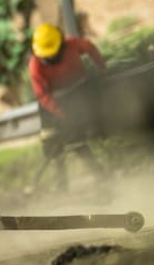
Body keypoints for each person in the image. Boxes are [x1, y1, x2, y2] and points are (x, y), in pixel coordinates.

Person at [28, 23, 109, 191]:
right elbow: (43, 96)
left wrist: (102, 68)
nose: (50, 57)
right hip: (51, 104)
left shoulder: (72, 45)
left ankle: (100, 175)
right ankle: (61, 185)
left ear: (61, 44)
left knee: (76, 140)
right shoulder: (36, 65)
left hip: (77, 93)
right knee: (53, 144)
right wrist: (61, 114)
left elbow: (90, 48)